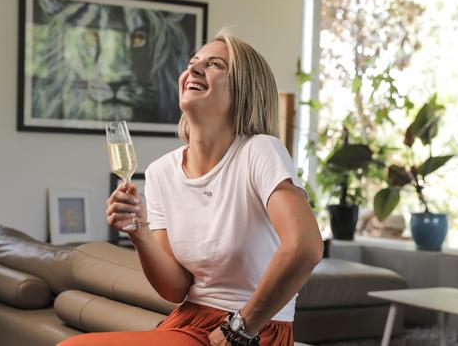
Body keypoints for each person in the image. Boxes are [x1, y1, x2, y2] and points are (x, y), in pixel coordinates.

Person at [58, 31, 323, 346]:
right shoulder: (160, 172)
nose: (194, 70)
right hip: (189, 320)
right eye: (193, 63)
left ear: (245, 89)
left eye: (215, 65)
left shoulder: (260, 151)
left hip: (254, 328)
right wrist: (138, 232)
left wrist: (240, 327)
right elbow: (175, 288)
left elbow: (305, 247)